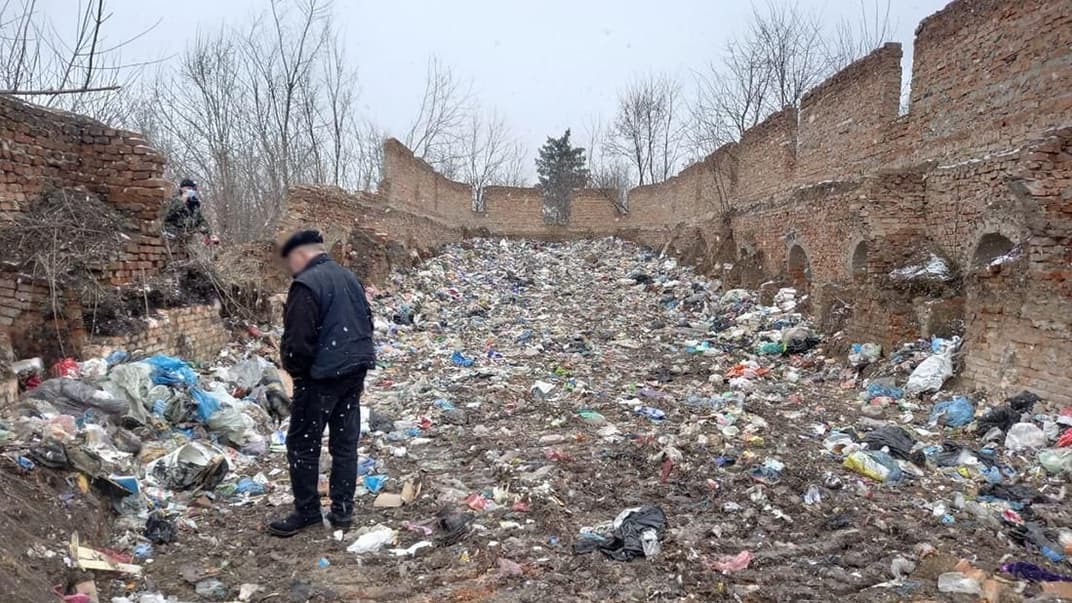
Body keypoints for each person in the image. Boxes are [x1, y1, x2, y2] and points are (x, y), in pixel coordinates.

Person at [269, 230, 376, 537]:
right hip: (354, 371)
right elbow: (366, 323)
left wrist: (297, 372)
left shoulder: (306, 285)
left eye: (292, 260)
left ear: (302, 254)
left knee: (303, 444)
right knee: (344, 444)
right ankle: (342, 511)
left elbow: (297, 342)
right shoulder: (349, 278)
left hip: (321, 378)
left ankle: (307, 512)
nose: (292, 267)